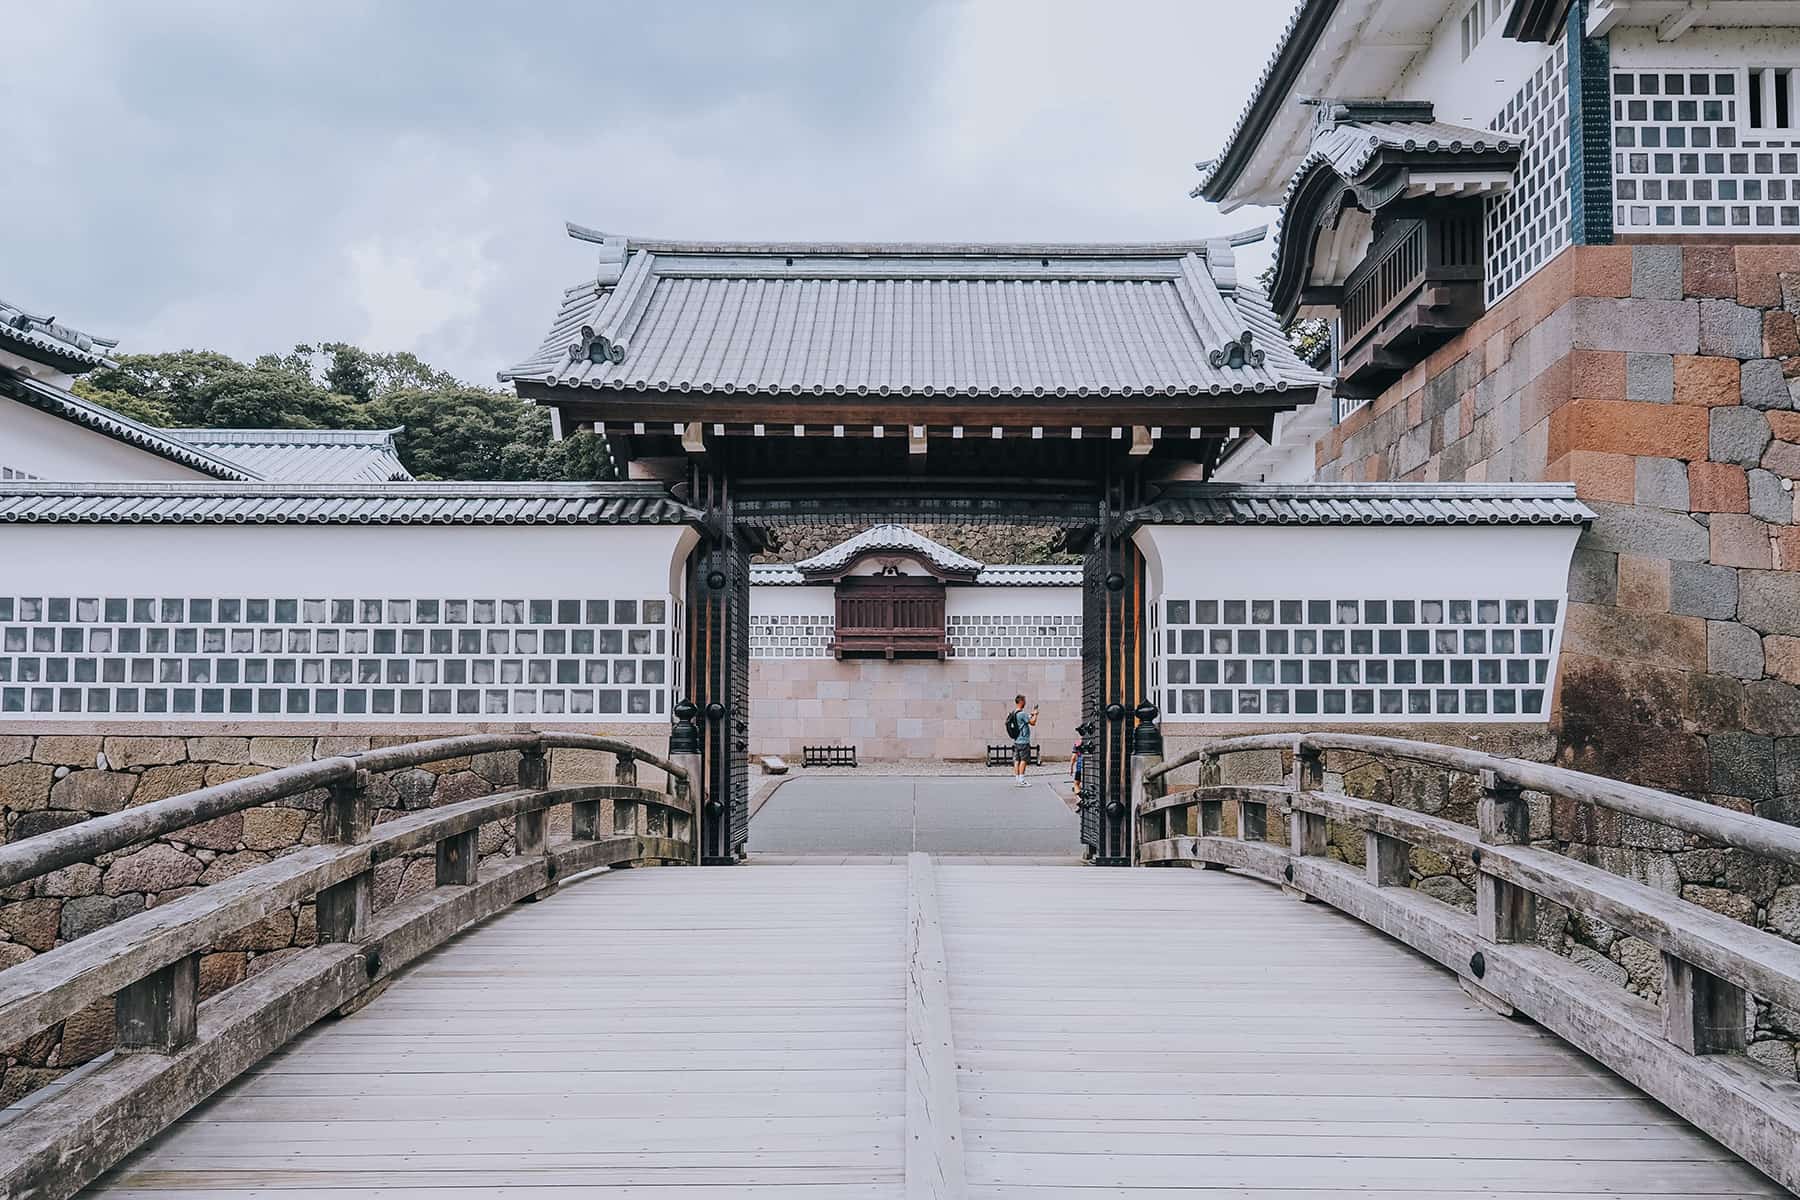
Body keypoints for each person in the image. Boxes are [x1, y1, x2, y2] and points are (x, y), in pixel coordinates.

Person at [1005, 694, 1038, 788]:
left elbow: (1023, 719)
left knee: (1017, 760)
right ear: (1021, 701)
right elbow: (1033, 723)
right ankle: (1022, 780)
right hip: (1024, 741)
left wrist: (1030, 714)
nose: (1025, 702)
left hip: (1016, 740)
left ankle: (1017, 779)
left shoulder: (1014, 713)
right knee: (1023, 760)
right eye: (1024, 700)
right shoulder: (1022, 714)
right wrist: (1035, 715)